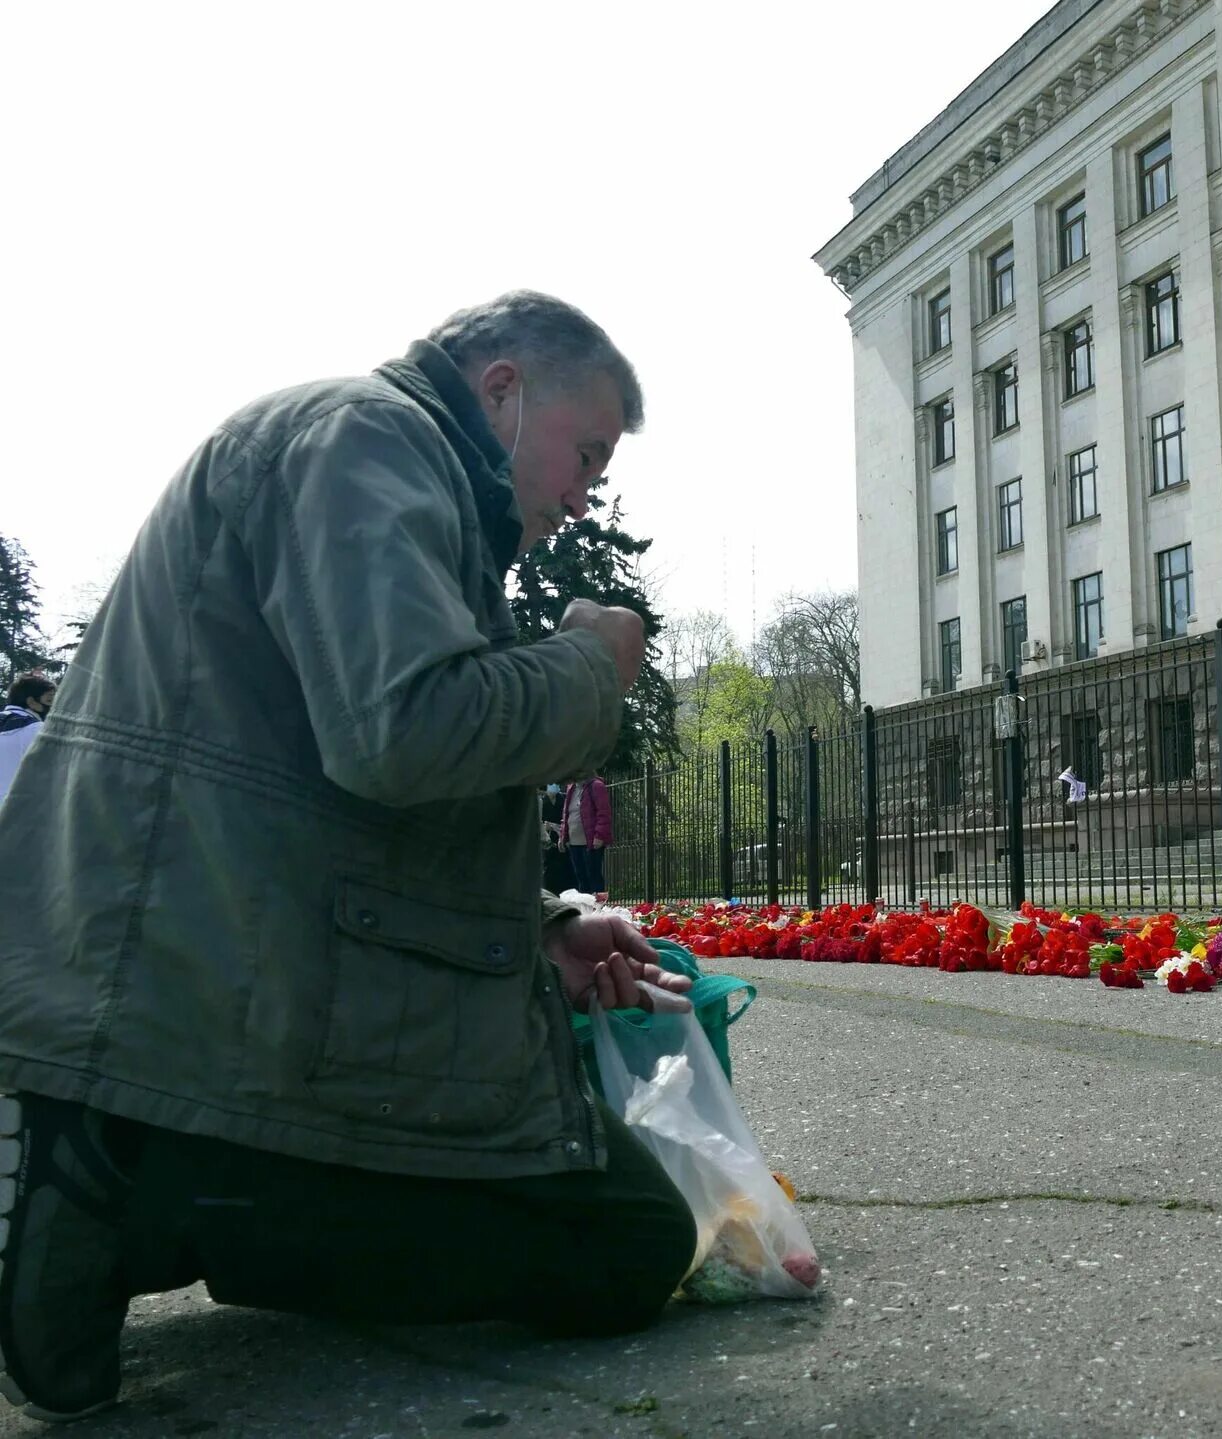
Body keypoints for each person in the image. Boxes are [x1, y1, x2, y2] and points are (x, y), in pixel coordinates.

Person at [0, 292, 700, 1423]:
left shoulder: (393, 464)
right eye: (586, 454)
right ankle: (123, 1177)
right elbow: (404, 730)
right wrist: (590, 665)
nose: (583, 497)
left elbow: (335, 795)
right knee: (622, 1241)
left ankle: (153, 1187)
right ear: (503, 390)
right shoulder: (365, 439)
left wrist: (541, 930)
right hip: (200, 996)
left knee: (625, 1240)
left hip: (239, 970)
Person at [0, 672, 55, 804]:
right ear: (31, 702)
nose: (53, 706)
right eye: (50, 700)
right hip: (18, 813)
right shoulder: (40, 730)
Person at [563, 771, 613, 895]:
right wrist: (563, 836)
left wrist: (599, 835)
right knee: (581, 878)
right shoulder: (571, 788)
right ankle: (586, 909)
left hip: (590, 841)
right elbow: (566, 814)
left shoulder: (596, 786)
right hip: (574, 842)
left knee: (594, 876)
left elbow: (604, 812)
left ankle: (600, 908)